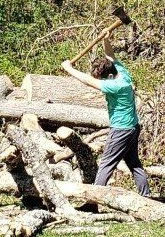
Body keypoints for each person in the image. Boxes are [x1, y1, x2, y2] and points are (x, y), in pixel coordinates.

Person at [61, 53, 148, 196]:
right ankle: (146, 195)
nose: (101, 82)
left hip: (121, 130)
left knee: (105, 164)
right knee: (134, 163)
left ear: (109, 77)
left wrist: (68, 68)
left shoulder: (116, 85)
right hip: (133, 127)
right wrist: (106, 39)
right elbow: (111, 55)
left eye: (102, 79)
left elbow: (88, 81)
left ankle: (93, 200)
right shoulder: (123, 74)